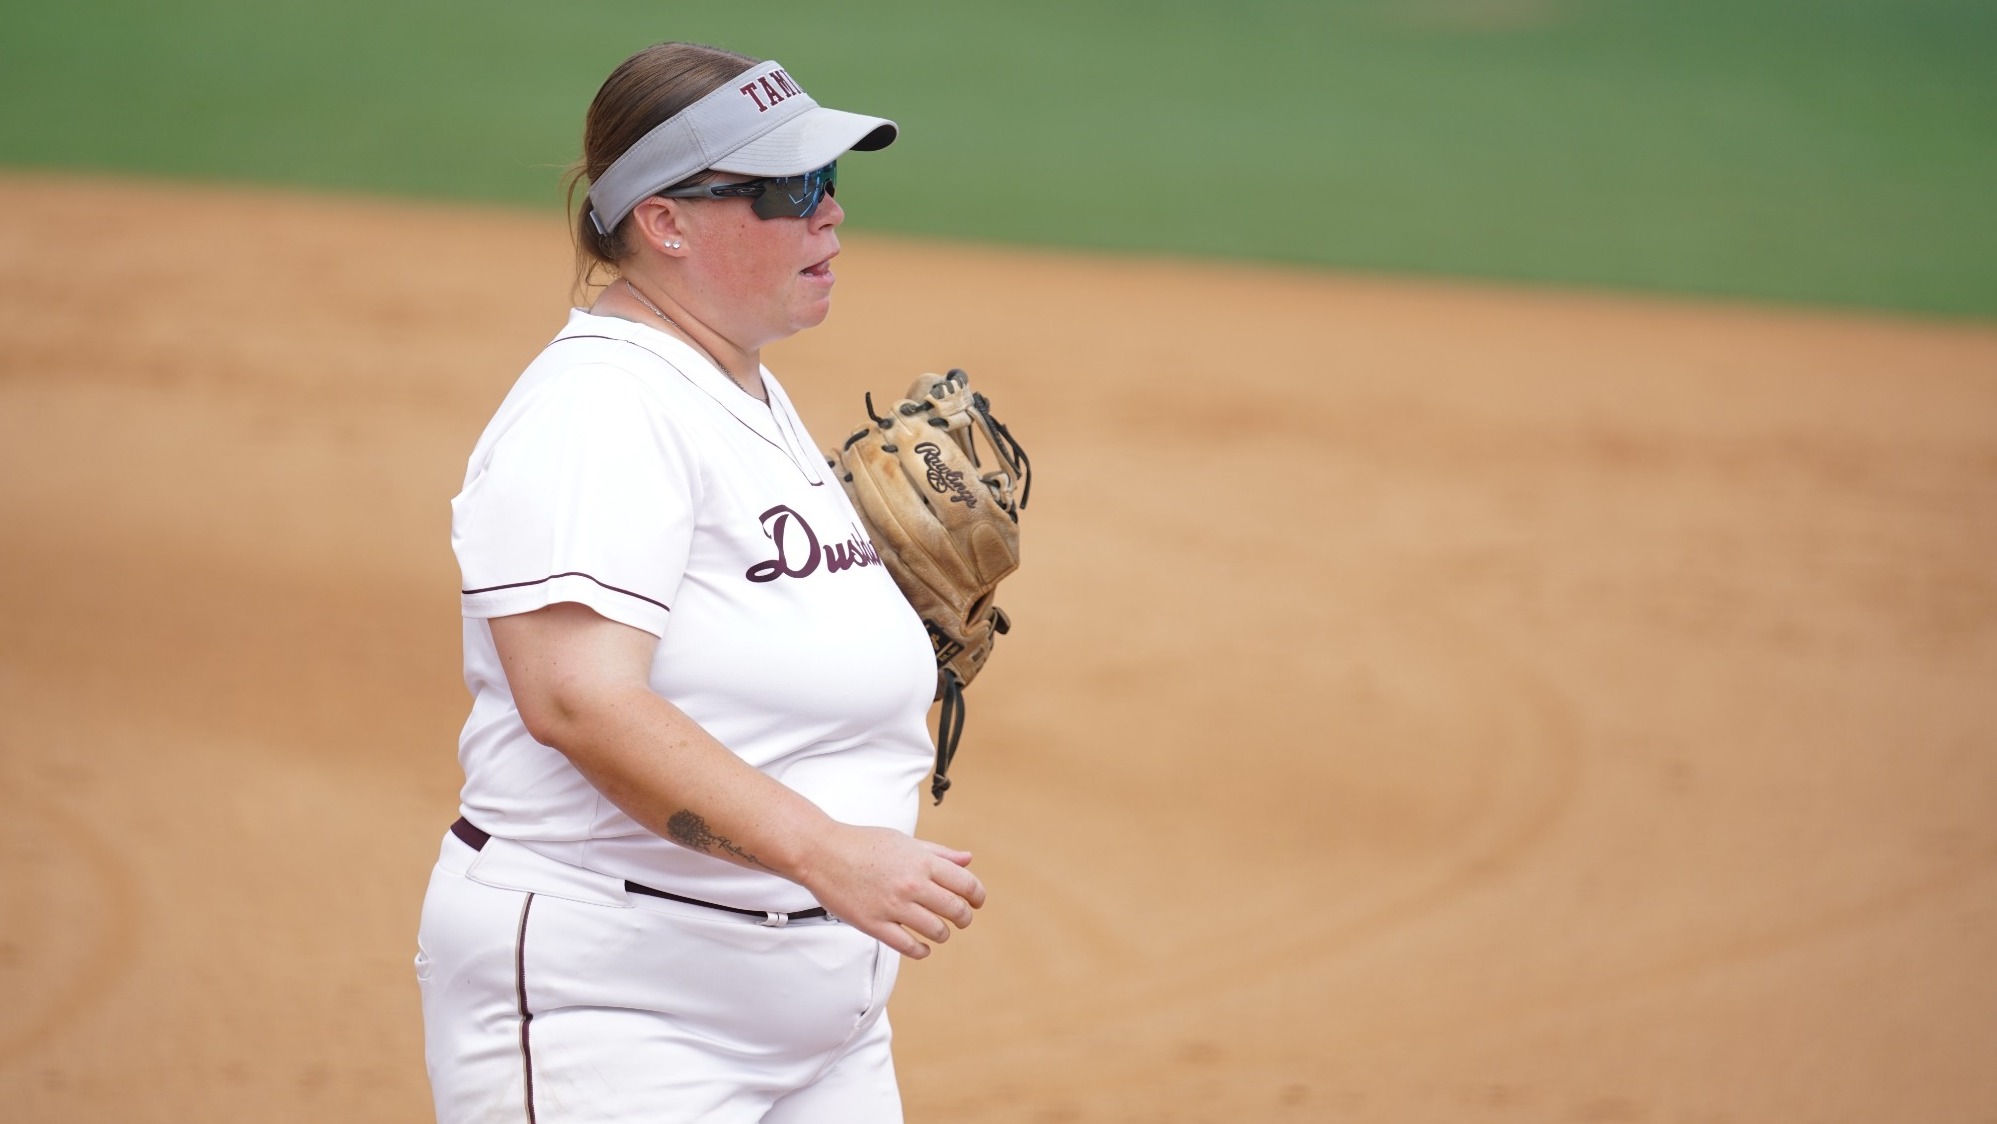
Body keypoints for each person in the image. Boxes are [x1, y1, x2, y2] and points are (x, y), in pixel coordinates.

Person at [413, 41, 986, 1124]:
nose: (828, 215)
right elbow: (577, 695)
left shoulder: (739, 386)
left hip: (820, 1020)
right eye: (786, 190)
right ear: (662, 222)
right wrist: (822, 851)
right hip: (623, 1009)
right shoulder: (597, 408)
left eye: (831, 182)